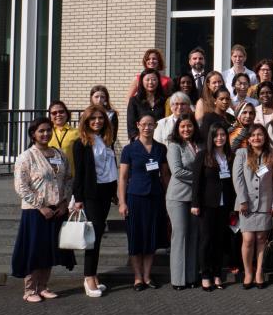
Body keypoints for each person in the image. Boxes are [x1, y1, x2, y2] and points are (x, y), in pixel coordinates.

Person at [12, 117, 75, 303]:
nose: (46, 134)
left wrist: (64, 202)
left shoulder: (59, 154)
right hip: (35, 212)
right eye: (41, 131)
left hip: (57, 210)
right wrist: (41, 206)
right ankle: (30, 289)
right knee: (34, 250)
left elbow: (68, 179)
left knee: (49, 250)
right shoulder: (26, 157)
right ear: (33, 134)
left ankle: (43, 286)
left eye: (48, 130)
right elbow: (21, 187)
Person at [118, 114, 170, 290]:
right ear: (138, 125)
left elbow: (165, 176)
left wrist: (168, 198)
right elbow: (123, 178)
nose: (147, 127)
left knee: (151, 238)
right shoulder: (129, 149)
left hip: (155, 197)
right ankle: (137, 277)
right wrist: (122, 202)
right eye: (144, 124)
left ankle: (147, 276)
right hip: (135, 197)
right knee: (136, 238)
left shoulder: (161, 149)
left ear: (155, 126)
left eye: (150, 124)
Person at [72, 106, 118, 296]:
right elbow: (79, 173)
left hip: (106, 192)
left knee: (98, 233)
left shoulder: (107, 141)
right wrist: (79, 198)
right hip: (91, 193)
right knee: (94, 234)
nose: (97, 121)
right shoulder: (81, 143)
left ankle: (93, 274)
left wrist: (115, 192)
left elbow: (110, 167)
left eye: (100, 118)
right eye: (93, 118)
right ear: (86, 121)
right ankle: (88, 276)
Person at [190, 123, 236, 291]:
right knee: (206, 240)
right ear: (211, 137)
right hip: (207, 204)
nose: (220, 138)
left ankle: (217, 274)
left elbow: (232, 183)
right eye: (216, 135)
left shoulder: (230, 156)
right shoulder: (203, 155)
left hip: (224, 205)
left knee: (219, 240)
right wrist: (195, 203)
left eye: (223, 135)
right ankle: (205, 275)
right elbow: (196, 182)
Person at [232, 123, 273, 289]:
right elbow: (238, 179)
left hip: (265, 202)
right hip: (246, 204)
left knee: (261, 239)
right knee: (248, 239)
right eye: (253, 135)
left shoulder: (271, 154)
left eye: (260, 135)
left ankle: (259, 272)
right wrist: (242, 200)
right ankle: (248, 271)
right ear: (248, 139)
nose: (256, 138)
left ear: (265, 137)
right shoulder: (241, 153)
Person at [166, 113, 201, 290]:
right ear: (177, 129)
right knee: (179, 236)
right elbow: (177, 172)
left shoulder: (199, 145)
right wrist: (201, 178)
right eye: (182, 127)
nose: (186, 129)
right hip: (178, 197)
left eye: (189, 126)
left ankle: (192, 276)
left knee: (194, 236)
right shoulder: (174, 145)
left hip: (195, 198)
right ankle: (178, 280)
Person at [127, 68, 167, 140]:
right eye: (147, 80)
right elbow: (131, 124)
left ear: (158, 81)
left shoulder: (165, 100)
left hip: (161, 140)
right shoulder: (134, 101)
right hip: (140, 141)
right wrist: (138, 139)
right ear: (142, 82)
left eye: (154, 79)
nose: (150, 82)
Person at [46, 100, 78, 177]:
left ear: (67, 114)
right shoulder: (46, 133)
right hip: (50, 177)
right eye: (54, 113)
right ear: (50, 117)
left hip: (70, 177)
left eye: (61, 112)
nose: (58, 115)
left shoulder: (77, 133)